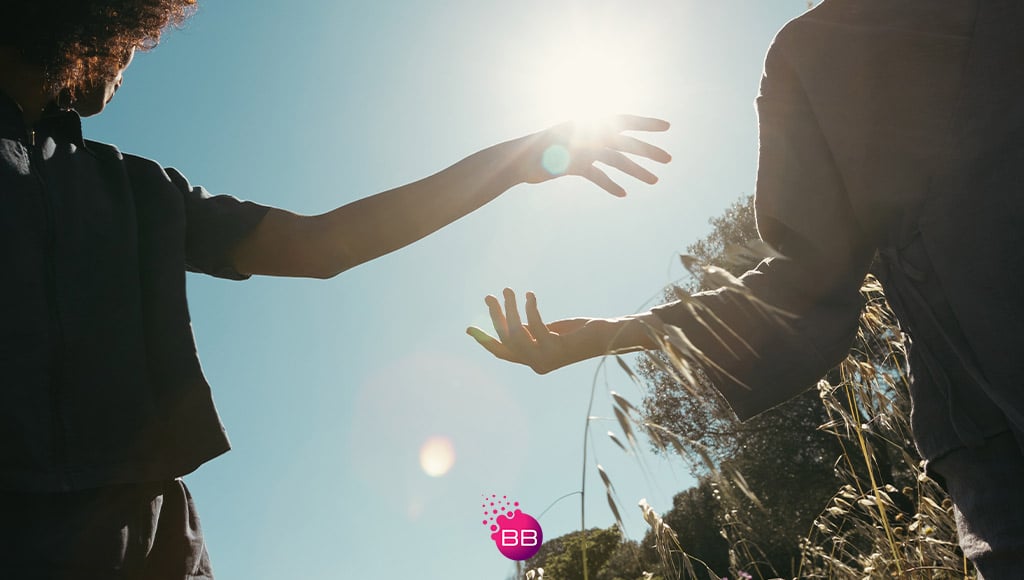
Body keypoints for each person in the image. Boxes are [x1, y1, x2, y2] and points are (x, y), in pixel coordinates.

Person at [0, 1, 671, 578]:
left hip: (151, 535)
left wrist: (516, 162)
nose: (135, 55)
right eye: (140, 39)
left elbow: (324, 246)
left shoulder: (143, 190)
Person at [469, 0, 1024, 577]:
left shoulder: (821, 47)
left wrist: (609, 334)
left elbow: (804, 280)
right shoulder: (823, 48)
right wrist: (610, 333)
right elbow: (805, 278)